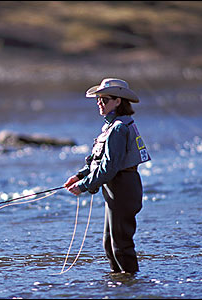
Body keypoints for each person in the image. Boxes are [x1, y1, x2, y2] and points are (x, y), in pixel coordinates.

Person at [64, 78, 151, 274]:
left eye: (104, 99)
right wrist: (79, 176)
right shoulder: (112, 127)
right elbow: (100, 162)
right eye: (98, 99)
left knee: (120, 245)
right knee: (109, 244)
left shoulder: (119, 128)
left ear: (118, 101)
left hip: (123, 190)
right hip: (115, 190)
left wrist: (84, 186)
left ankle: (130, 286)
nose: (99, 103)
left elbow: (109, 168)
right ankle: (119, 284)